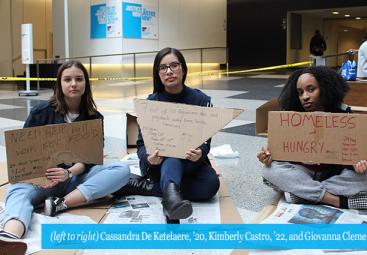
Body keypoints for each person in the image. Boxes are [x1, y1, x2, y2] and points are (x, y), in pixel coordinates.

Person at [0, 61, 130, 254]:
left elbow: (89, 160)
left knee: (121, 170)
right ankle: (9, 239)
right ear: (59, 84)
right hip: (41, 179)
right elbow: (24, 153)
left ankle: (60, 204)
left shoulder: (94, 117)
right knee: (18, 190)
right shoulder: (41, 112)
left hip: (74, 178)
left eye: (79, 79)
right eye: (67, 79)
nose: (73, 84)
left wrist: (68, 173)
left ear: (86, 83)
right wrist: (41, 177)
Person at [257, 66, 367, 210]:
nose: (304, 97)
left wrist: (358, 163)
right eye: (300, 92)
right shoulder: (290, 115)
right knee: (269, 170)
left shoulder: (343, 113)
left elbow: (352, 154)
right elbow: (282, 154)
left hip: (334, 176)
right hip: (302, 173)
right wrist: (269, 156)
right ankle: (335, 200)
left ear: (325, 88)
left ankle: (302, 195)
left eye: (311, 89)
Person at [114, 47, 220, 221]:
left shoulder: (201, 100)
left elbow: (206, 141)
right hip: (160, 164)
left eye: (174, 65)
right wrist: (148, 158)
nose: (169, 71)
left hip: (191, 163)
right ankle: (172, 201)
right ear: (158, 73)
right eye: (163, 68)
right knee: (172, 154)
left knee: (211, 185)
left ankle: (145, 187)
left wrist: (201, 151)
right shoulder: (151, 103)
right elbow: (141, 144)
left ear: (183, 69)